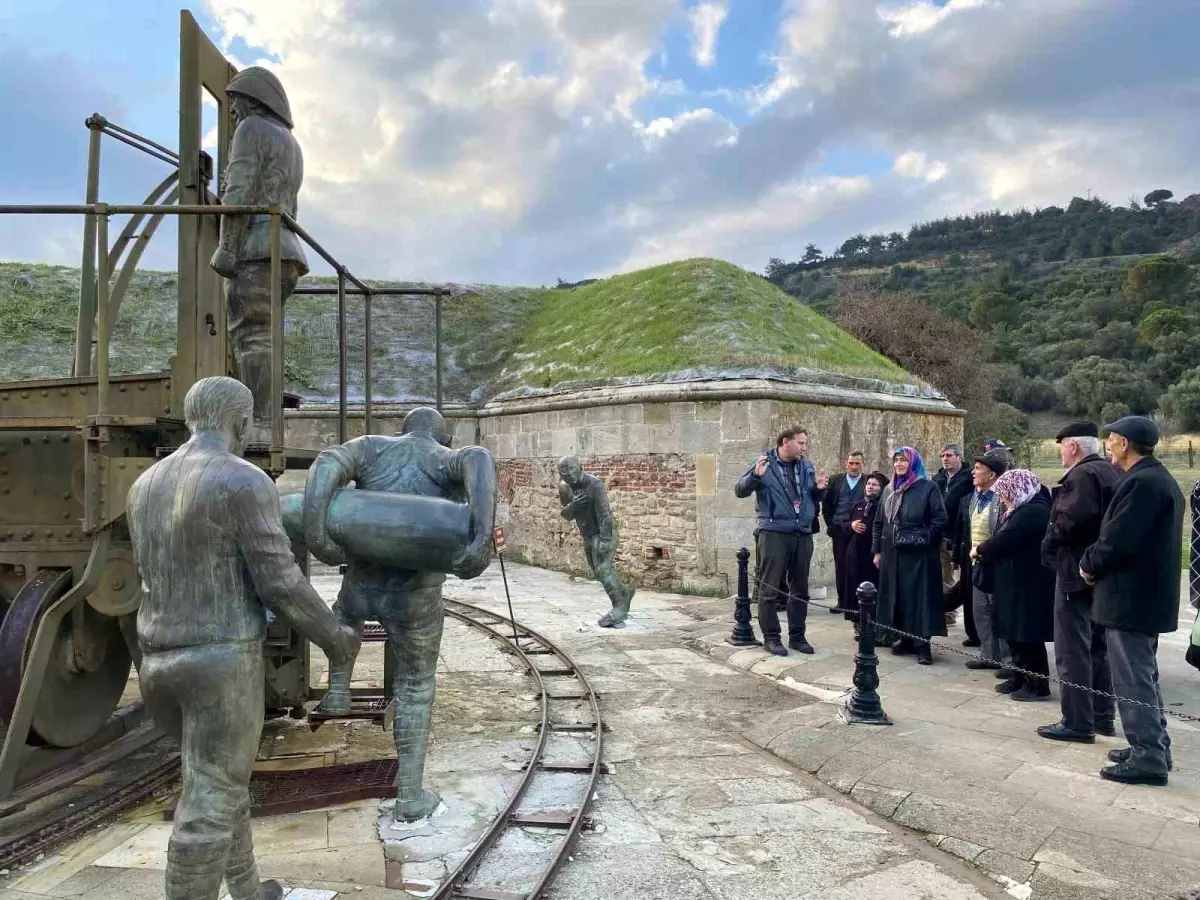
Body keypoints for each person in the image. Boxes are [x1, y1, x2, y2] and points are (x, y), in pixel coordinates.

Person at [127, 376, 359, 900]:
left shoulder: (144, 485)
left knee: (217, 781)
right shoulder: (244, 480)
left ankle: (249, 889)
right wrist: (336, 639)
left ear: (190, 417)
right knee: (209, 800)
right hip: (219, 661)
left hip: (157, 661)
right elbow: (280, 581)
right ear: (241, 421)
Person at [303, 407, 497, 819]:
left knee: (344, 619)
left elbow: (326, 463)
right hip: (417, 597)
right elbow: (479, 458)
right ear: (443, 438)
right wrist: (481, 539)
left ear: (400, 431)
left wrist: (317, 534)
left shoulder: (372, 447)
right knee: (415, 687)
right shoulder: (448, 458)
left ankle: (339, 687)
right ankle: (410, 797)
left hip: (361, 585)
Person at [1081, 416, 1184, 786]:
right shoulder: (1157, 480)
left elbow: (1118, 541)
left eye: (1111, 440)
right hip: (1144, 599)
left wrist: (1088, 564)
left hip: (1130, 600)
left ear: (1125, 444)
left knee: (1133, 679)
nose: (1107, 445)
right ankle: (1154, 746)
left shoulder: (1141, 483)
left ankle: (1148, 758)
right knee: (1144, 676)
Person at [209, 67, 308, 443]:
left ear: (253, 102)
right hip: (285, 249)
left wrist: (226, 247)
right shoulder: (291, 143)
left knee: (251, 338)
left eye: (236, 107)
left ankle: (259, 427)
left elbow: (239, 191)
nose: (234, 115)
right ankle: (267, 423)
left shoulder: (252, 131)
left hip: (254, 248)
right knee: (267, 339)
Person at [1036, 422, 1121, 743]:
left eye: (1062, 446)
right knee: (1098, 646)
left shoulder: (1083, 475)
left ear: (1073, 446)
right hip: (1099, 571)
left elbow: (1069, 521)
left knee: (1072, 649)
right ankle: (1102, 715)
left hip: (1075, 571)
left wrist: (1049, 544)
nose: (1060, 452)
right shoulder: (1110, 472)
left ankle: (1077, 722)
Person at [735, 427, 828, 656]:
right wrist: (755, 476)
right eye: (801, 443)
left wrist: (820, 490)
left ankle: (797, 637)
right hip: (774, 532)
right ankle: (772, 638)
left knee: (800, 589)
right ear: (786, 442)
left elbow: (811, 497)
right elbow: (740, 490)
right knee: (769, 589)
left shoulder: (806, 465)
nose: (805, 448)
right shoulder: (764, 462)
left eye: (805, 443)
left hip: (802, 532)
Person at [972, 469, 1055, 701]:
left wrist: (980, 549)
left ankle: (1037, 684)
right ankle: (1019, 676)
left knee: (1027, 634)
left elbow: (1007, 539)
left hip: (1028, 584)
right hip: (1013, 581)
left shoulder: (1034, 511)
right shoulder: (1020, 509)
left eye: (1005, 494)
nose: (1002, 499)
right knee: (1014, 632)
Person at [872, 447, 948, 665]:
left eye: (904, 460)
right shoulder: (889, 490)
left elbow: (940, 520)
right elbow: (879, 523)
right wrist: (877, 550)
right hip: (892, 555)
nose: (899, 464)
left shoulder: (928, 487)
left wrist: (922, 538)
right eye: (896, 460)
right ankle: (904, 638)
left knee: (919, 599)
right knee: (898, 598)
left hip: (919, 556)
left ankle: (922, 644)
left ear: (913, 463)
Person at [558, 456, 636, 627]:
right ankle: (625, 592)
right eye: (563, 471)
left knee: (603, 569)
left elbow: (604, 514)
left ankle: (619, 608)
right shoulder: (564, 488)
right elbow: (565, 514)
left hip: (604, 532)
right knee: (598, 572)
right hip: (587, 535)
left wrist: (605, 539)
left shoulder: (594, 484)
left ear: (581, 467)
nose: (568, 474)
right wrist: (574, 506)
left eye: (571, 469)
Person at [957, 452, 1009, 671]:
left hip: (996, 562)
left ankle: (1009, 661)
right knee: (981, 610)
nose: (973, 472)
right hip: (977, 561)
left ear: (992, 475)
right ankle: (989, 655)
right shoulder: (974, 497)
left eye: (978, 469)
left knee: (1000, 611)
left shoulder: (1003, 499)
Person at [841, 471, 888, 637]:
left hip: (871, 554)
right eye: (868, 484)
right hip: (854, 554)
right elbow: (843, 524)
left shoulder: (883, 506)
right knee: (854, 589)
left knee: (871, 589)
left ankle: (872, 625)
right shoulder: (858, 504)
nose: (870, 487)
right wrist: (852, 525)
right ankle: (858, 623)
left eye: (875, 484)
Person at [934, 443, 975, 634]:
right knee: (942, 573)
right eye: (943, 455)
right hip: (939, 534)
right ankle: (944, 610)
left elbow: (953, 503)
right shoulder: (939, 478)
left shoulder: (967, 478)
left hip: (957, 533)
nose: (945, 458)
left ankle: (949, 612)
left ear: (959, 457)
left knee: (954, 575)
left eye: (949, 455)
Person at [822, 451, 866, 614]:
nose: (854, 466)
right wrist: (832, 525)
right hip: (839, 530)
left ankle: (858, 602)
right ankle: (842, 601)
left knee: (859, 566)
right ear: (845, 463)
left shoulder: (867, 481)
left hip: (860, 531)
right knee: (841, 566)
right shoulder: (835, 480)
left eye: (858, 463)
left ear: (863, 464)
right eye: (851, 463)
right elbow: (826, 505)